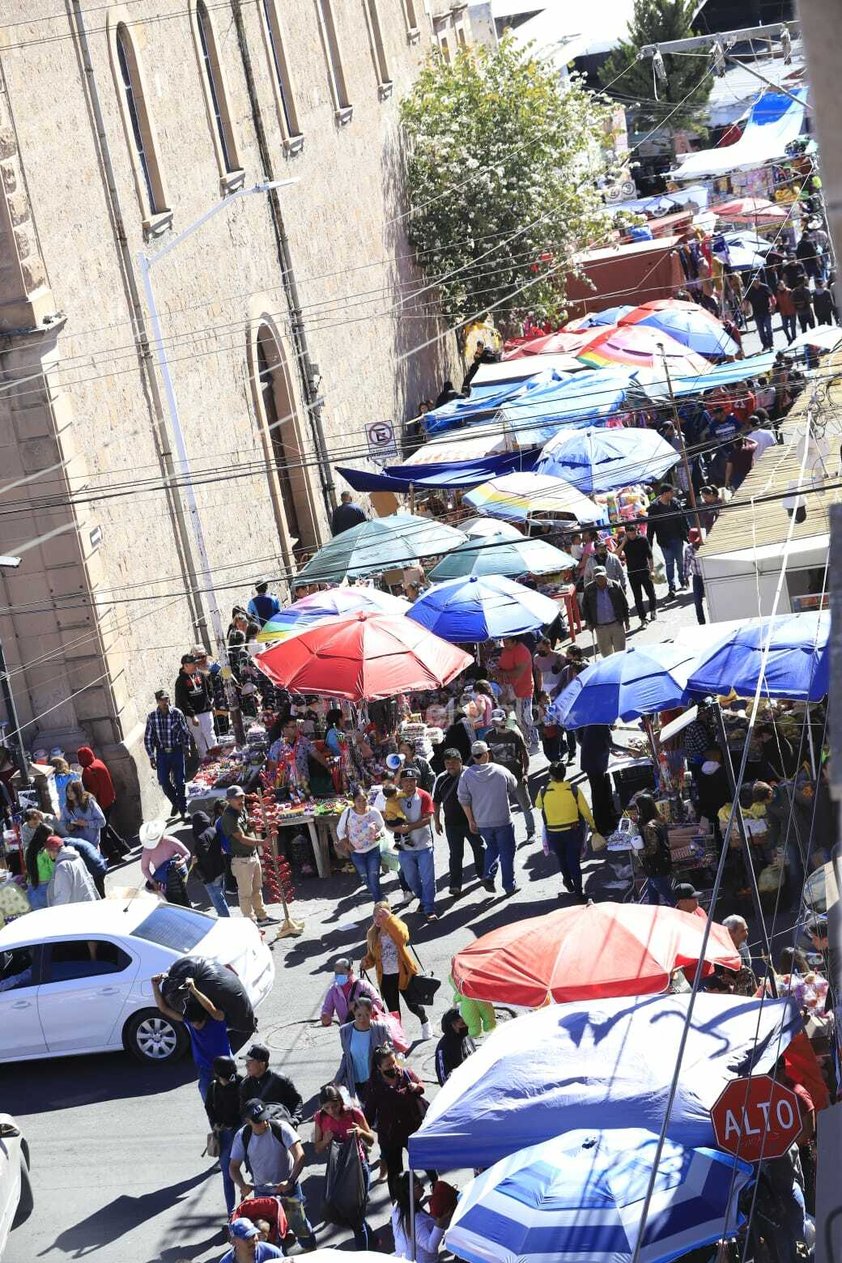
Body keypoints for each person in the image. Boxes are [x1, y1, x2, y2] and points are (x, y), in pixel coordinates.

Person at [230, 1099, 317, 1251]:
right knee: (267, 1233)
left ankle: (311, 1252)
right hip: (262, 1192)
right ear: (248, 1121)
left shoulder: (281, 1128)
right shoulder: (242, 1136)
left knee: (300, 1226)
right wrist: (242, 1185)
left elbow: (300, 1156)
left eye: (265, 1118)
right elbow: (233, 1167)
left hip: (287, 1189)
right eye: (258, 1121)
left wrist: (290, 1181)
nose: (264, 1123)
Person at [313, 1083, 375, 1249]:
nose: (332, 1111)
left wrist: (360, 1132)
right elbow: (317, 1148)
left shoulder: (353, 1113)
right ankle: (372, 1239)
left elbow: (371, 1140)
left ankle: (364, 1255)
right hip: (338, 1168)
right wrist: (325, 1141)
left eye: (335, 1106)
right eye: (327, 1108)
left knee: (357, 1215)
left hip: (358, 1166)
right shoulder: (320, 1118)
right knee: (348, 1210)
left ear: (340, 1102)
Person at [151, 971, 231, 1099]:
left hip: (226, 1067)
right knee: (209, 1103)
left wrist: (193, 990)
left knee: (231, 1100)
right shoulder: (189, 1020)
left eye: (199, 1022)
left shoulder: (217, 1019)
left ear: (205, 1016)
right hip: (205, 1070)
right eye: (192, 1023)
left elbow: (210, 1008)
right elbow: (164, 1009)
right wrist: (155, 986)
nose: (196, 1026)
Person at [458, 740, 519, 897]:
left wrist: (471, 820)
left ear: (473, 756)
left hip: (482, 822)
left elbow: (464, 800)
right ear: (487, 754)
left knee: (492, 848)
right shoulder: (500, 770)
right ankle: (509, 885)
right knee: (507, 852)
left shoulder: (466, 776)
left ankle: (488, 875)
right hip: (503, 820)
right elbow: (513, 786)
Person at [362, 902, 431, 1039]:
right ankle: (400, 1040)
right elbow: (372, 956)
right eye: (375, 916)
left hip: (404, 975)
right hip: (386, 978)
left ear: (389, 915)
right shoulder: (372, 934)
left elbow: (403, 938)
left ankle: (424, 1021)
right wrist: (366, 962)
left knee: (413, 1006)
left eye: (381, 916)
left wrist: (390, 919)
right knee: (394, 1012)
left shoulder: (397, 926)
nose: (377, 919)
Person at [367, 1046, 429, 1198]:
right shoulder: (374, 1086)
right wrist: (363, 1132)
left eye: (393, 1062)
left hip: (412, 1130)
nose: (393, 1067)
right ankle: (397, 1206)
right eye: (388, 1065)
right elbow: (368, 1113)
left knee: (425, 1161)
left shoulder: (406, 1074)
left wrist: (417, 1087)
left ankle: (435, 1184)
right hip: (390, 1136)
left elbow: (421, 1086)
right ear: (379, 1067)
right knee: (395, 1173)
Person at [219, 786, 278, 926]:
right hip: (241, 860)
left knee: (257, 889)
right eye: (237, 798)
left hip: (252, 855)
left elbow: (246, 830)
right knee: (245, 893)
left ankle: (262, 917)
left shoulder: (242, 809)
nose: (241, 800)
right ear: (229, 800)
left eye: (242, 797)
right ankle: (250, 922)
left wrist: (251, 825)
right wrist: (262, 842)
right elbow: (240, 838)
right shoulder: (228, 817)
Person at [535, 762, 595, 899]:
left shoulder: (544, 790)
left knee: (561, 858)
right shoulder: (573, 789)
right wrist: (593, 826)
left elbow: (538, 805)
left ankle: (567, 881)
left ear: (550, 775)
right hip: (572, 831)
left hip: (553, 832)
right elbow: (585, 810)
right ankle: (579, 893)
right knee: (574, 861)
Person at [384, 769, 437, 921]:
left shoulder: (424, 795)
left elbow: (427, 819)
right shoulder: (395, 797)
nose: (409, 784)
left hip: (423, 844)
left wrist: (410, 827)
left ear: (416, 781)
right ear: (400, 783)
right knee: (411, 879)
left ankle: (429, 908)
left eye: (412, 780)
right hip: (404, 848)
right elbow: (388, 821)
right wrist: (397, 829)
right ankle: (422, 898)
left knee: (428, 878)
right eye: (406, 781)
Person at [433, 749, 485, 895]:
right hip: (452, 824)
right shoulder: (441, 779)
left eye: (454, 763)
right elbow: (436, 802)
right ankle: (455, 885)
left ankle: (483, 876)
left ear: (461, 761)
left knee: (480, 848)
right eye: (447, 763)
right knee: (455, 854)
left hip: (472, 822)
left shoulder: (471, 775)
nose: (450, 766)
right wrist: (436, 822)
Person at [485, 709, 535, 839]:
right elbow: (488, 756)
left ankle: (531, 831)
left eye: (498, 721)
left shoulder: (514, 734)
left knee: (525, 804)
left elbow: (524, 754)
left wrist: (525, 773)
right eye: (494, 721)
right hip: (499, 777)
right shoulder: (489, 736)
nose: (496, 724)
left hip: (516, 774)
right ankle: (506, 835)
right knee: (501, 807)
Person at [336, 994, 394, 1103]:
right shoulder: (345, 1031)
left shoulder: (380, 1028)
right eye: (359, 1015)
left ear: (371, 1013)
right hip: (356, 1079)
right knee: (363, 1108)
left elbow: (391, 1050)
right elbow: (346, 1056)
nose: (363, 1019)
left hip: (377, 1078)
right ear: (354, 1013)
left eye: (366, 1015)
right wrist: (338, 1078)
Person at [144, 688, 191, 820]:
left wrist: (186, 747)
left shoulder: (177, 713)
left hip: (176, 750)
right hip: (162, 753)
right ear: (157, 701)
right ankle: (176, 802)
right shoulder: (152, 716)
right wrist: (151, 757)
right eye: (162, 700)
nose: (165, 702)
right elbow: (148, 737)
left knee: (180, 782)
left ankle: (183, 810)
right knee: (164, 781)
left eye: (167, 699)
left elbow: (185, 732)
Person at [205, 1053, 243, 1214]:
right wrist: (215, 1124)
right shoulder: (213, 1087)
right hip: (225, 1135)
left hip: (242, 1132)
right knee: (228, 1176)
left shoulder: (241, 1083)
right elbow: (209, 1107)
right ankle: (232, 1212)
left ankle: (256, 1205)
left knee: (255, 1171)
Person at [76, 746, 129, 860]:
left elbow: (92, 792)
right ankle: (122, 847)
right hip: (109, 799)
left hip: (101, 804)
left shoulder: (88, 771)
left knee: (101, 832)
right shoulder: (98, 762)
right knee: (106, 826)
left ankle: (114, 855)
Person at [336, 786, 385, 903]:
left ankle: (379, 905)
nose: (362, 803)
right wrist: (348, 846)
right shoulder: (348, 813)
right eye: (359, 800)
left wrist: (379, 834)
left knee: (373, 878)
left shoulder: (374, 811)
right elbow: (340, 831)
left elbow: (382, 826)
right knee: (366, 879)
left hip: (373, 850)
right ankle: (381, 900)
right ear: (353, 801)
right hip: (357, 854)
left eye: (364, 800)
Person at [238, 1042, 304, 1123]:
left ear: (262, 1064)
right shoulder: (245, 1084)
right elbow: (243, 1111)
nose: (246, 1065)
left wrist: (294, 1121)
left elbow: (296, 1101)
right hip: (258, 1131)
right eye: (246, 1062)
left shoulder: (280, 1080)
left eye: (250, 1061)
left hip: (281, 1128)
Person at [390, 1172, 446, 1263]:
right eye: (418, 1184)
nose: (423, 1185)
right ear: (408, 1191)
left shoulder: (398, 1207)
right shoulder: (415, 1221)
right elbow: (430, 1246)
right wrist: (440, 1221)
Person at [646, 484, 688, 597]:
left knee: (680, 561)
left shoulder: (675, 503)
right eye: (671, 492)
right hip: (664, 542)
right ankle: (672, 587)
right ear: (665, 493)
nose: (673, 494)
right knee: (669, 564)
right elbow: (650, 528)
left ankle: (683, 581)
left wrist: (687, 533)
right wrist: (648, 545)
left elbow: (683, 519)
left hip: (678, 538)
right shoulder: (655, 508)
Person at [496, 635, 538, 749]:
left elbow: (518, 672)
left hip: (524, 689)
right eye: (504, 641)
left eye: (507, 642)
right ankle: (525, 741)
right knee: (516, 719)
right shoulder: (505, 650)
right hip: (510, 691)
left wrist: (503, 673)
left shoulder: (522, 651)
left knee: (525, 717)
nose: (505, 644)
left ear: (515, 641)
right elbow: (501, 666)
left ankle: (534, 742)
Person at [139, 818, 192, 906]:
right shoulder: (147, 850)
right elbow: (144, 868)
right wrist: (153, 882)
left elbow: (187, 853)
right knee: (171, 904)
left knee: (184, 900)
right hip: (163, 882)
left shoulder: (170, 841)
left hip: (178, 878)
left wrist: (181, 862)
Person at [634, 793, 674, 905]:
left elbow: (652, 849)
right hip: (659, 864)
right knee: (653, 898)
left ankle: (687, 916)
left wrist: (638, 851)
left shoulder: (649, 827)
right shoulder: (659, 819)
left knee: (670, 896)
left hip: (656, 866)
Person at [174, 653, 217, 758]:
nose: (196, 665)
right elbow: (182, 701)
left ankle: (218, 757)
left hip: (205, 711)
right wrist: (192, 715)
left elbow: (209, 689)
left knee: (210, 735)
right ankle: (205, 760)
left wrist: (211, 703)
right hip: (193, 715)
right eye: (193, 663)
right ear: (185, 665)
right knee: (199, 738)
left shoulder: (200, 674)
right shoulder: (180, 681)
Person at [578, 724, 617, 836]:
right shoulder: (601, 721)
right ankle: (601, 826)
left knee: (604, 791)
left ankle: (609, 821)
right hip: (596, 764)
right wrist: (630, 750)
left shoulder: (586, 718)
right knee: (599, 795)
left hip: (591, 761)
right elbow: (610, 743)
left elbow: (580, 739)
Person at [582, 567, 630, 656]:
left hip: (616, 625)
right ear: (594, 578)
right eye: (597, 577)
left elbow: (624, 604)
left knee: (621, 654)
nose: (600, 579)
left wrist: (627, 621)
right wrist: (589, 622)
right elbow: (585, 607)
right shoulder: (589, 589)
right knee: (607, 656)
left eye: (602, 576)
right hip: (600, 628)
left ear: (606, 575)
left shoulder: (615, 586)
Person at [320, 957, 382, 1026]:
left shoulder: (362, 985)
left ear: (351, 971)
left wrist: (358, 1006)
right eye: (336, 973)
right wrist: (326, 1019)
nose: (338, 975)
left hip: (368, 1027)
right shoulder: (334, 990)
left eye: (341, 972)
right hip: (348, 1031)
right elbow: (326, 1009)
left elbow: (378, 1003)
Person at [617, 521, 656, 627]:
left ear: (636, 531)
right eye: (629, 534)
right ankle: (643, 619)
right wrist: (624, 542)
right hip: (632, 573)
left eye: (633, 533)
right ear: (626, 534)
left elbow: (650, 556)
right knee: (637, 597)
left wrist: (652, 570)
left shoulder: (643, 539)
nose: (632, 536)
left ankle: (653, 609)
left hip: (644, 570)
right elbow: (616, 555)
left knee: (650, 593)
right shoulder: (623, 541)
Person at [192, 810, 230, 917]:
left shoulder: (200, 838)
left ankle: (225, 919)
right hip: (220, 869)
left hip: (210, 874)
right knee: (220, 896)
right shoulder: (213, 831)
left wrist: (196, 861)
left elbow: (205, 855)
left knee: (217, 899)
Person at [44, 834, 100, 905]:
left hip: (77, 908)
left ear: (52, 851)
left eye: (47, 851)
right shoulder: (77, 858)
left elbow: (63, 894)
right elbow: (89, 878)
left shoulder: (62, 866)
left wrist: (54, 910)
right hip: (88, 901)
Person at [23, 810, 55, 910]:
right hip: (46, 886)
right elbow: (52, 869)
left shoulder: (28, 850)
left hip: (32, 887)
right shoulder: (46, 852)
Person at [60, 780, 106, 850]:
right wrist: (68, 827)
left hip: (92, 844)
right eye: (68, 791)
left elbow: (102, 822)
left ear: (78, 791)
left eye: (72, 791)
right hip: (77, 846)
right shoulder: (66, 808)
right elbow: (62, 823)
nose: (69, 794)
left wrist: (86, 823)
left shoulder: (90, 803)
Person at [435, 1008, 476, 1085]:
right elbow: (444, 1080)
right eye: (462, 1023)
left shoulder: (467, 1037)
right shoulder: (443, 1049)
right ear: (452, 1025)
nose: (466, 1024)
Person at [219, 1216, 284, 1263]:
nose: (253, 1240)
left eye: (253, 1235)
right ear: (234, 1242)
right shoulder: (225, 1261)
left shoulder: (272, 1253)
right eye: (247, 1238)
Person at [683, 527, 706, 625]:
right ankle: (701, 623)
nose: (696, 544)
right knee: (697, 602)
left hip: (708, 576)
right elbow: (686, 563)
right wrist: (686, 576)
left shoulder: (705, 546)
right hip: (697, 577)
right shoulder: (688, 549)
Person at [746, 276, 775, 351]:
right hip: (756, 313)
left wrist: (773, 306)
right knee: (760, 330)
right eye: (753, 281)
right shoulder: (750, 290)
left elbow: (772, 297)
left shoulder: (765, 287)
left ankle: (771, 344)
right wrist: (746, 309)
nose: (754, 282)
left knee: (769, 328)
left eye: (756, 280)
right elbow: (746, 300)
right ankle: (765, 345)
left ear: (759, 280)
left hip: (766, 311)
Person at [776, 279, 797, 344]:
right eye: (780, 285)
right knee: (784, 327)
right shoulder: (777, 293)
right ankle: (789, 339)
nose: (782, 286)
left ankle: (794, 339)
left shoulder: (789, 291)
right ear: (778, 287)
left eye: (782, 284)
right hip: (783, 312)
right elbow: (777, 303)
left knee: (793, 327)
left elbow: (794, 300)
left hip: (792, 311)